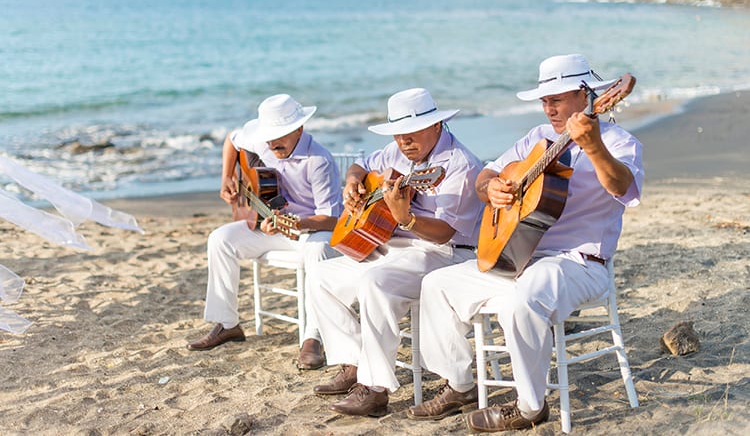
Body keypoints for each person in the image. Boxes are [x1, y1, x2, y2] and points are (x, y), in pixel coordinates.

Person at [408, 54, 644, 431]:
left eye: (557, 99)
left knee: (526, 297)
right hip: (520, 255)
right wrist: (493, 191)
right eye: (544, 100)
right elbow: (484, 176)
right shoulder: (537, 138)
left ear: (588, 96)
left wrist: (594, 146)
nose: (548, 108)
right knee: (436, 284)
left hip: (579, 262)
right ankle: (461, 384)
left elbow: (623, 188)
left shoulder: (619, 142)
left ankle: (531, 407)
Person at [307, 87, 484, 417]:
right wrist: (353, 184)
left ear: (436, 126)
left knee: (377, 281)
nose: (404, 142)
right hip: (398, 246)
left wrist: (406, 218)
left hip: (447, 252)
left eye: (411, 134)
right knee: (321, 275)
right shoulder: (398, 151)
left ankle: (375, 390)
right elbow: (361, 165)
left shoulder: (461, 166)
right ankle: (357, 363)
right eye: (397, 134)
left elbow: (446, 232)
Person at [187, 93, 342, 372]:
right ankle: (227, 324)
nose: (272, 143)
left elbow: (332, 219)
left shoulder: (319, 160)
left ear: (299, 129)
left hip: (313, 231)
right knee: (220, 239)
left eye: (280, 136)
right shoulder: (262, 142)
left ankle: (313, 338)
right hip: (275, 226)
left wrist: (296, 224)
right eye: (268, 136)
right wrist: (226, 177)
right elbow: (232, 139)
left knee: (319, 250)